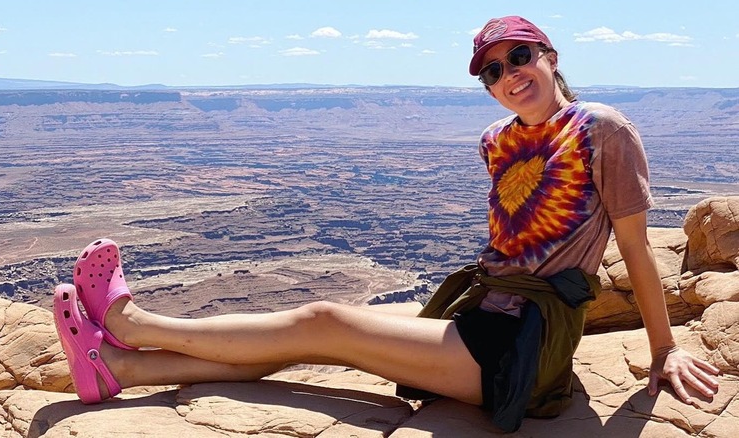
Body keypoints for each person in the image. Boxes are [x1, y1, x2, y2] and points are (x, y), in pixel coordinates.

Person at [52, 15, 720, 433]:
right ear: (486, 87)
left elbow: (634, 247)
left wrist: (664, 350)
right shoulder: (497, 138)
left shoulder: (603, 129)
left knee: (323, 322)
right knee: (304, 341)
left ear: (548, 55)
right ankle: (117, 371)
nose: (509, 75)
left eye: (519, 57)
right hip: (483, 316)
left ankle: (132, 326)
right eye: (493, 71)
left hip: (524, 347)